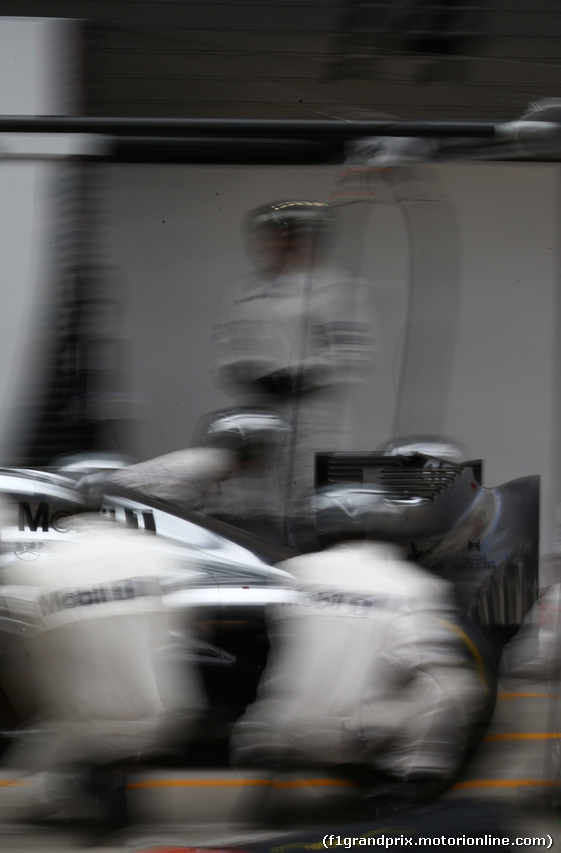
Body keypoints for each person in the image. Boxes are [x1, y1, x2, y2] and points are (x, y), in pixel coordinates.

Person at [230, 485, 489, 817]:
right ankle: (404, 791)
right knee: (453, 684)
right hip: (355, 736)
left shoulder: (294, 574)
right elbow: (422, 658)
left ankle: (264, 794)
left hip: (273, 732)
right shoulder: (413, 585)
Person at [0, 514, 205, 834]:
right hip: (166, 715)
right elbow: (181, 635)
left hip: (82, 725)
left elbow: (21, 664)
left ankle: (86, 778)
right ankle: (118, 771)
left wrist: (40, 711)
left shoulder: (33, 573)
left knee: (5, 805)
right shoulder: (160, 554)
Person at [210, 201, 376, 532]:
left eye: (286, 237)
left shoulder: (335, 287)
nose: (275, 246)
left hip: (313, 412)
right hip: (259, 409)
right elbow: (225, 346)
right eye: (268, 238)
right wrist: (246, 374)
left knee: (309, 497)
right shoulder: (243, 292)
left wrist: (304, 375)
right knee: (254, 497)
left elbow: (351, 353)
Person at [99, 406, 288, 541]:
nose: (269, 457)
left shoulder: (211, 465)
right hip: (122, 516)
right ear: (251, 448)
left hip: (128, 513)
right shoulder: (214, 462)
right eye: (265, 448)